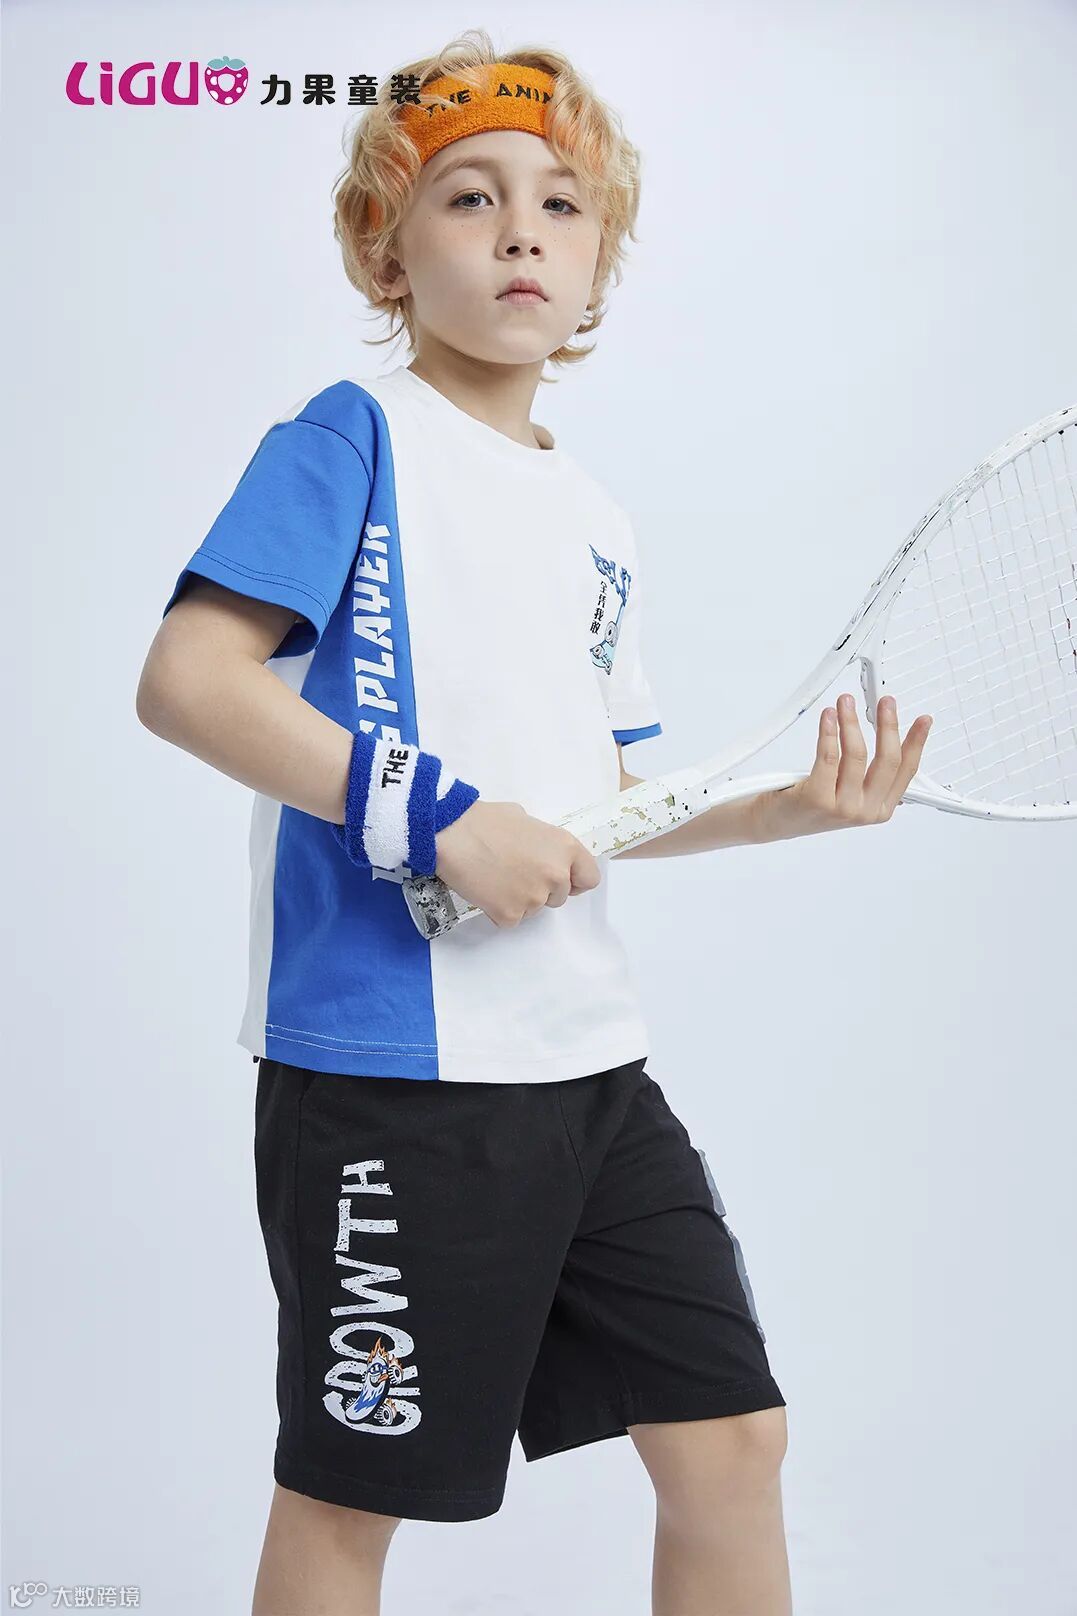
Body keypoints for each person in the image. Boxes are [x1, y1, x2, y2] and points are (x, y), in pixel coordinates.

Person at [135, 30, 932, 1616]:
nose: (520, 231)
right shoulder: (346, 438)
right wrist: (435, 819)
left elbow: (601, 808)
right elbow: (187, 683)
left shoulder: (593, 517)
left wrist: (780, 812)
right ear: (388, 249)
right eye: (469, 196)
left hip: (590, 1069)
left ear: (595, 268)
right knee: (352, 1499)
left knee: (730, 1444)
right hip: (391, 1079)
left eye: (561, 205)